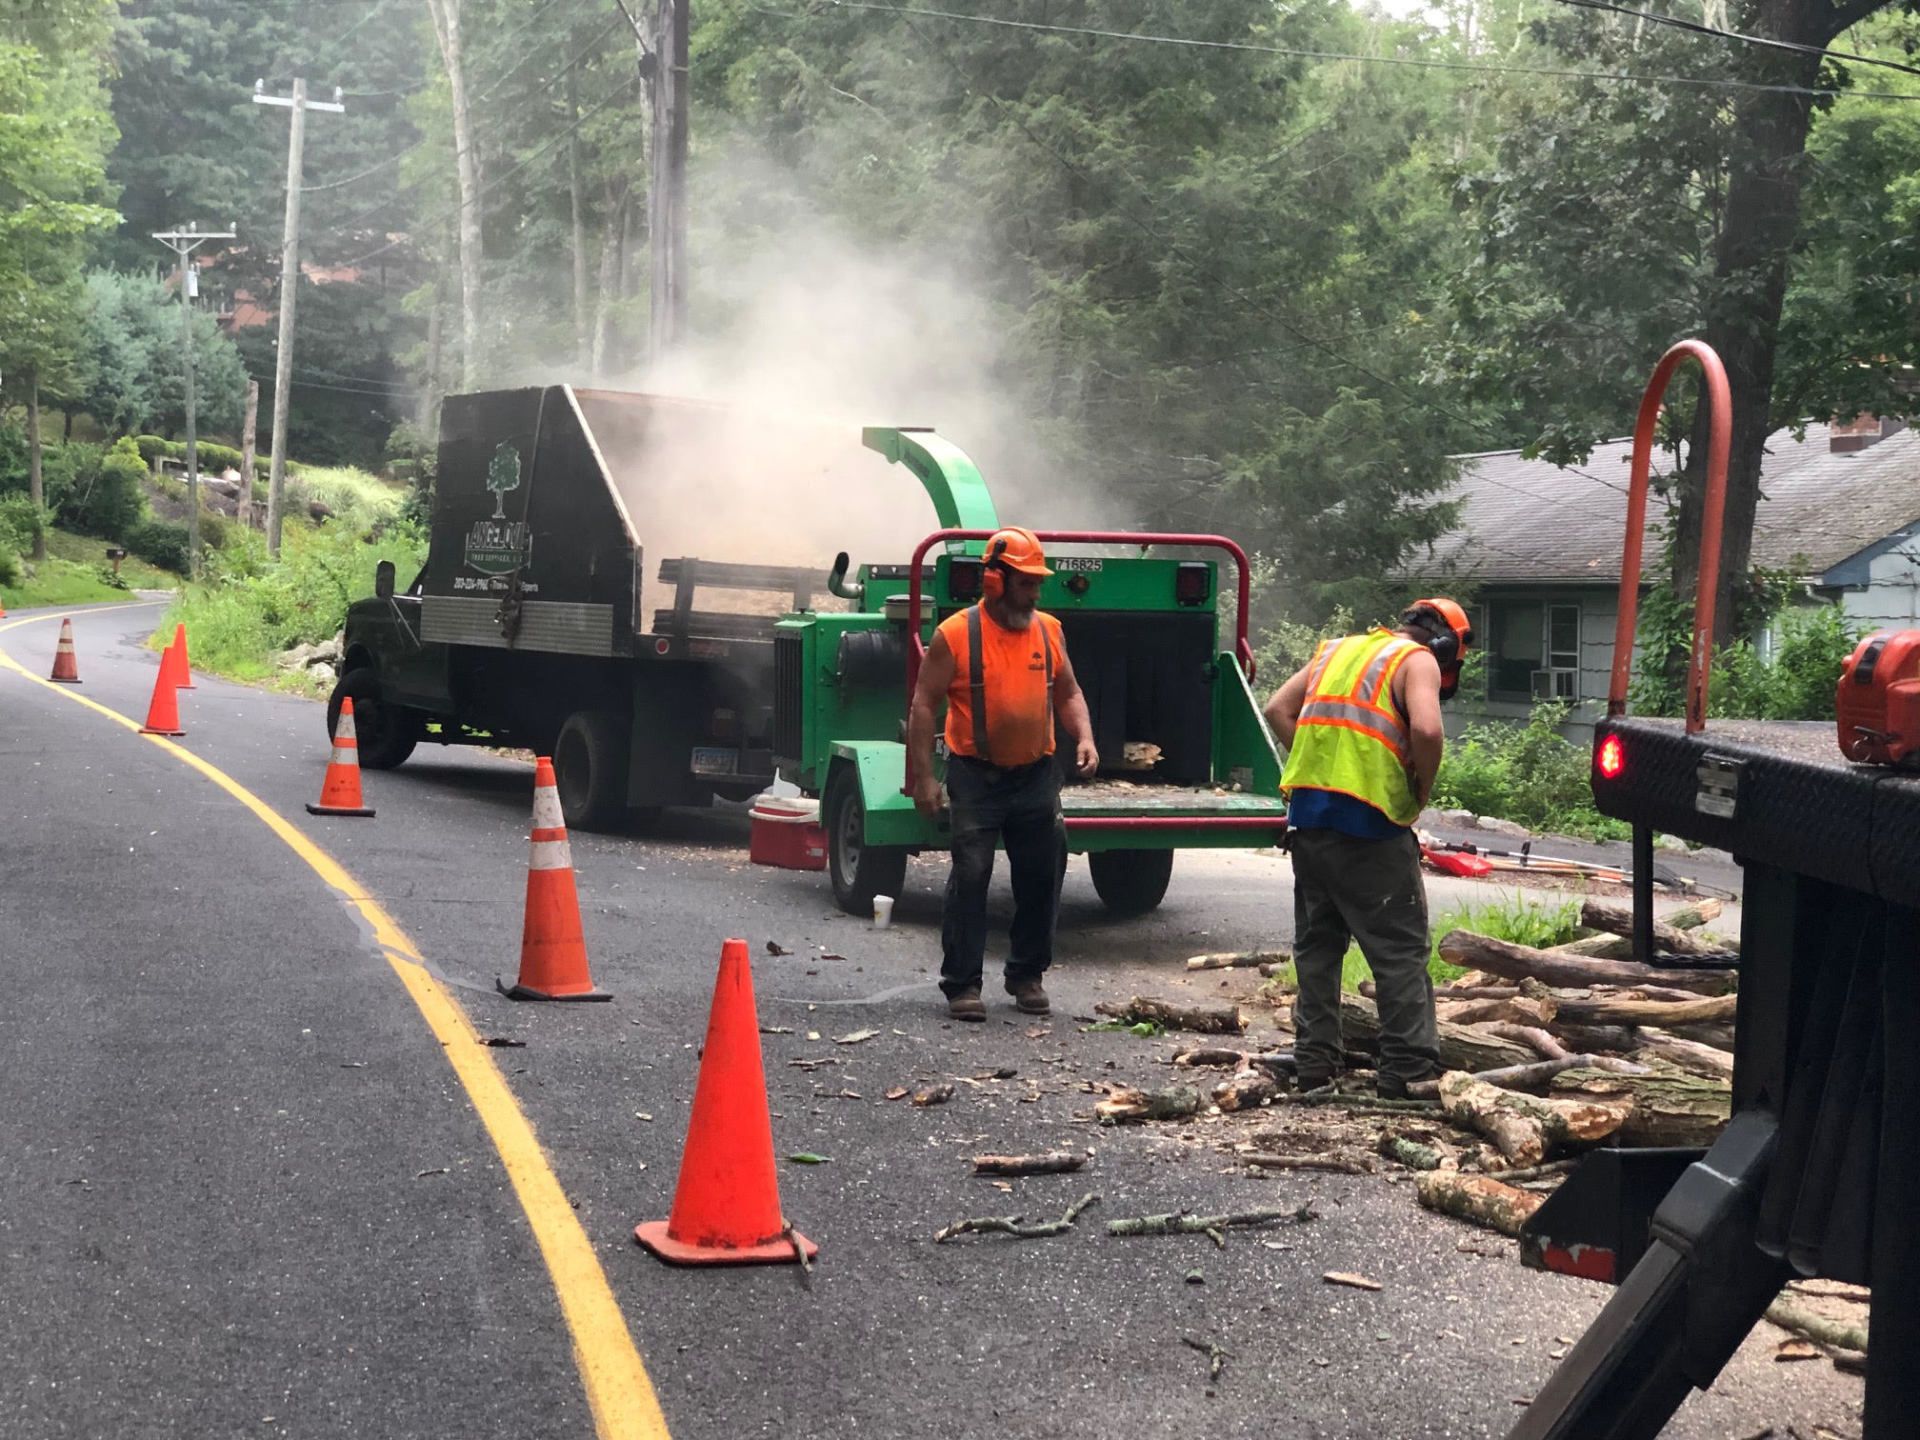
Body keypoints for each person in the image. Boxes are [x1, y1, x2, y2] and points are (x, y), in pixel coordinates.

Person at [1262, 598, 1474, 1098]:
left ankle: (1315, 1063)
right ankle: (1407, 1072)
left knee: (1317, 948)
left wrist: (1322, 768)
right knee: (1398, 951)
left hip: (1309, 822)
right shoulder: (1416, 660)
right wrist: (1419, 788)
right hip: (1370, 828)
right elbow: (1425, 728)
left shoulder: (1336, 650)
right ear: (1445, 645)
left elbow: (1277, 709)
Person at [908, 527, 1099, 1021]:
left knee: (1042, 872)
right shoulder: (955, 634)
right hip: (975, 775)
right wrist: (924, 779)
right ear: (994, 581)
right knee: (971, 875)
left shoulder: (1049, 630)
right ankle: (962, 985)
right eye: (1026, 584)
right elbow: (924, 705)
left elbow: (1069, 690)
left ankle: (1026, 975)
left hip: (1036, 775)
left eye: (1038, 584)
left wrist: (1085, 736)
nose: (1035, 593)